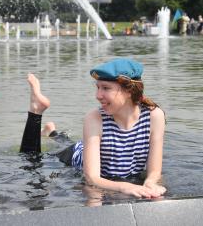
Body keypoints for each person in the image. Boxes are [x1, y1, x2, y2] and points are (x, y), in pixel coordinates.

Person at [20, 58, 166, 198]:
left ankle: (51, 132)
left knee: (71, 142)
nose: (97, 95)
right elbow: (92, 179)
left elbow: (154, 171)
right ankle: (37, 112)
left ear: (129, 91)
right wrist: (126, 187)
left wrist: (150, 183)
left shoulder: (154, 117)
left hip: (91, 148)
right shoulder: (94, 118)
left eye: (106, 88)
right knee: (31, 158)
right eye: (97, 87)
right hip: (75, 157)